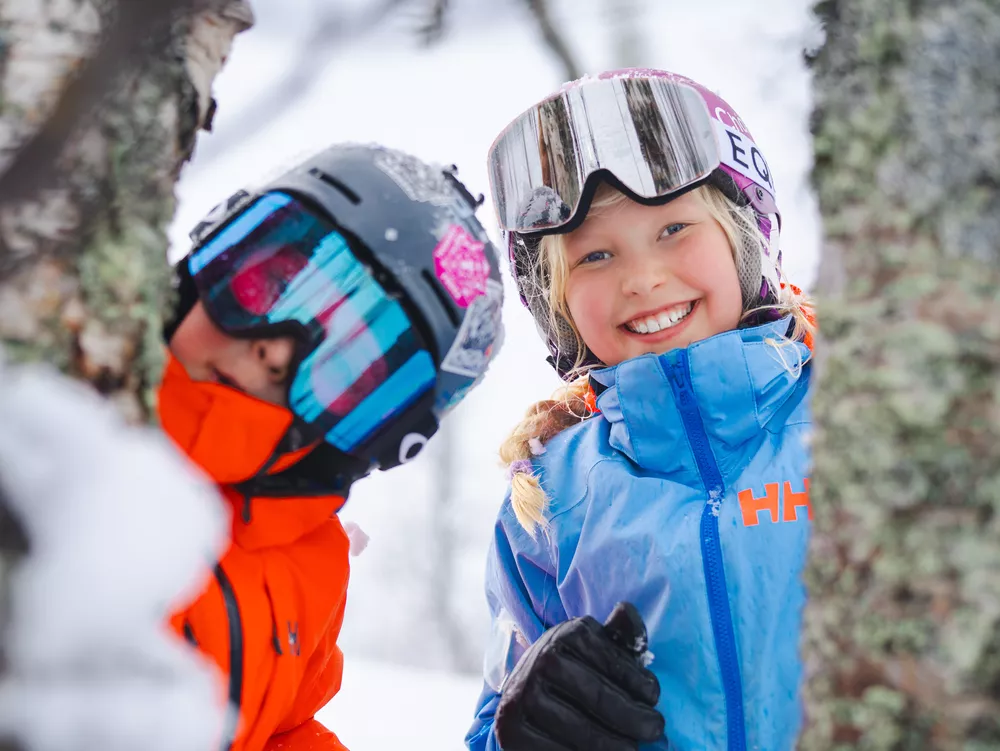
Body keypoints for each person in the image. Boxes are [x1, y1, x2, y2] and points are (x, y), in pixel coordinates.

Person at [466, 69, 815, 751]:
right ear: (554, 301)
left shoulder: (859, 418)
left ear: (747, 236)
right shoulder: (550, 499)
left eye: (674, 228)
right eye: (595, 253)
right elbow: (489, 726)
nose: (642, 278)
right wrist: (522, 727)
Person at [159, 143, 504, 751]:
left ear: (377, 434)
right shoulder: (58, 420)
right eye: (266, 285)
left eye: (343, 368)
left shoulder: (311, 569)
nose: (276, 349)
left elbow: (284, 733)